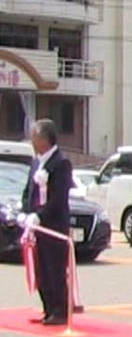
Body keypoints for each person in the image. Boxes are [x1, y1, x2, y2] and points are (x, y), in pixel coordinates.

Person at [21, 119, 74, 326]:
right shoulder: (36, 161)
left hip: (53, 225)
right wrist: (27, 212)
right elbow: (29, 191)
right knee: (41, 268)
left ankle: (60, 310)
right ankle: (48, 308)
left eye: (35, 137)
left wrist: (41, 215)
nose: (32, 141)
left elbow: (59, 198)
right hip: (36, 226)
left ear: (44, 139)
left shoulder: (61, 163)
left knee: (54, 268)